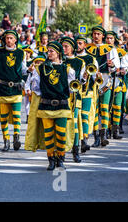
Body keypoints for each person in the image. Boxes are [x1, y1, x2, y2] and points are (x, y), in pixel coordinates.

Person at [25, 41, 76, 170]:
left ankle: (61, 158)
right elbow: (36, 88)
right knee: (48, 134)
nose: (49, 53)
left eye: (51, 51)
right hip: (46, 105)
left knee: (61, 134)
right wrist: (47, 93)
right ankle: (51, 159)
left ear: (58, 53)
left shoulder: (68, 69)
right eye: (48, 51)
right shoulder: (40, 68)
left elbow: (71, 89)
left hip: (62, 106)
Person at [0, 30, 27, 152]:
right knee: (3, 117)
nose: (9, 40)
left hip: (16, 88)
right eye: (7, 38)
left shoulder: (21, 53)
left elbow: (23, 70)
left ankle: (16, 137)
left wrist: (29, 70)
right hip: (3, 88)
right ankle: (6, 140)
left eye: (11, 38)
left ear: (16, 40)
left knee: (17, 115)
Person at [86, 25, 120, 147]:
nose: (96, 36)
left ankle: (104, 134)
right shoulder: (87, 48)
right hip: (92, 80)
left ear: (103, 36)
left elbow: (117, 67)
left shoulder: (110, 49)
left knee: (105, 107)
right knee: (94, 109)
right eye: (94, 34)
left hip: (106, 80)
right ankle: (95, 137)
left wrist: (111, 65)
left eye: (98, 34)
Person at [60, 36, 86, 163]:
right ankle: (61, 151)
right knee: (62, 125)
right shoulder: (59, 61)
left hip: (74, 97)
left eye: (67, 46)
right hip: (60, 96)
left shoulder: (79, 62)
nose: (64, 49)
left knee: (74, 125)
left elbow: (81, 80)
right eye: (63, 46)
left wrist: (84, 77)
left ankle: (76, 151)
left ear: (72, 48)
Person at [76, 35, 99, 153]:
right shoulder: (72, 57)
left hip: (87, 91)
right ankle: (75, 142)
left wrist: (97, 77)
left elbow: (95, 75)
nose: (78, 45)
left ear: (85, 45)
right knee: (75, 117)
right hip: (74, 93)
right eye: (77, 43)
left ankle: (84, 141)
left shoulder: (91, 59)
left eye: (80, 43)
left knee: (85, 115)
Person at [105, 31, 128, 140]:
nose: (108, 40)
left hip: (118, 82)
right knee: (106, 107)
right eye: (107, 38)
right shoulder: (101, 51)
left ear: (114, 39)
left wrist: (122, 71)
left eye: (111, 38)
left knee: (117, 107)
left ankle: (115, 130)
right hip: (105, 82)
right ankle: (106, 130)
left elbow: (126, 66)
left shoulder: (121, 52)